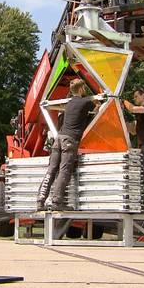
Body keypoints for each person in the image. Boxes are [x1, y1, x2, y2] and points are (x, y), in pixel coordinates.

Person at [37, 79, 101, 211]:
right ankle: (57, 202)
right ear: (82, 89)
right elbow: (98, 106)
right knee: (64, 171)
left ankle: (40, 201)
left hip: (58, 140)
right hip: (69, 141)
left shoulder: (70, 103)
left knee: (51, 170)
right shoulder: (86, 102)